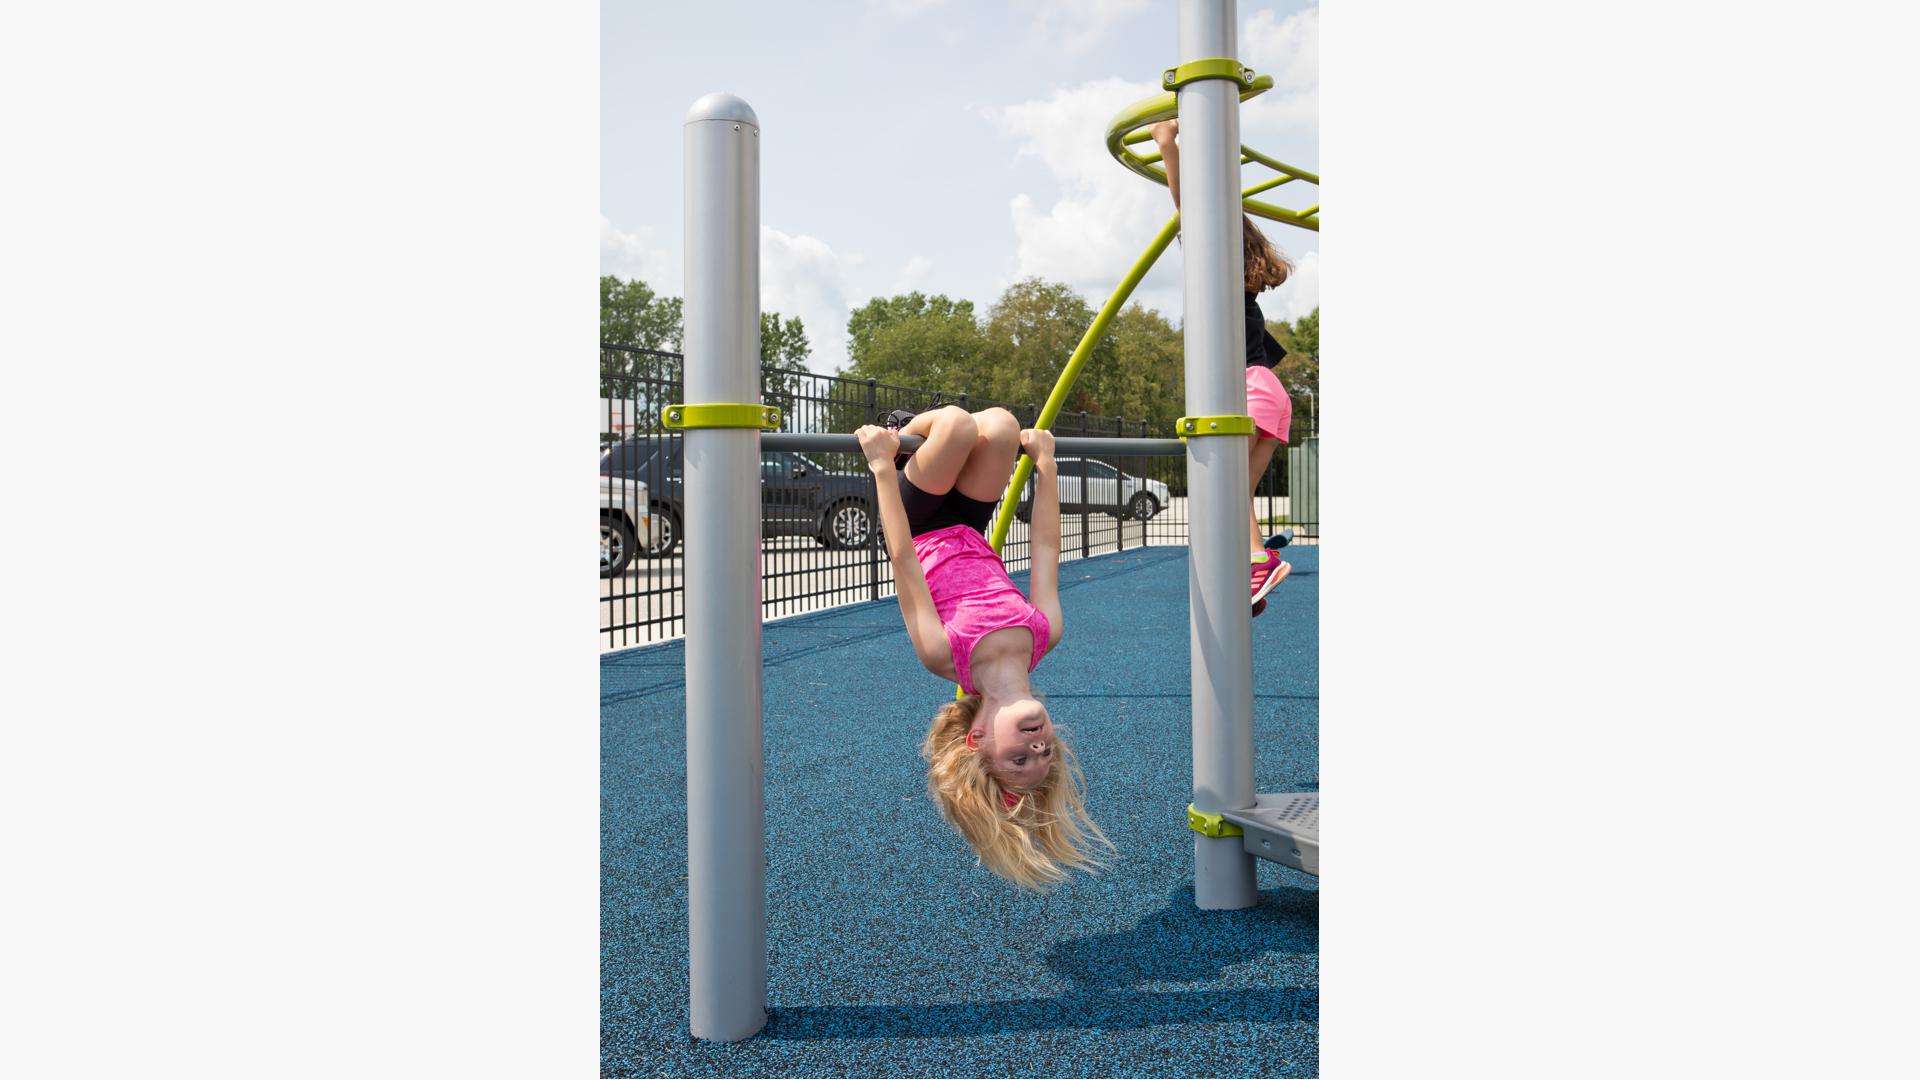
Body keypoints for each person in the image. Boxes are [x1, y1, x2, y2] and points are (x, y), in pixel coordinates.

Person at [854, 406, 1111, 889]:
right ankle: (927, 435)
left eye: (1020, 758)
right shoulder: (1043, 634)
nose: (1038, 747)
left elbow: (903, 558)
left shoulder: (944, 654)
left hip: (915, 523)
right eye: (1045, 754)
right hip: (968, 524)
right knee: (1003, 427)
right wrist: (1047, 468)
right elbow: (1046, 550)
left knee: (955, 424)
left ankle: (898, 426)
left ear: (977, 740)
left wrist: (882, 466)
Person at [1151, 118, 1295, 614]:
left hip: (1248, 392)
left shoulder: (1220, 273)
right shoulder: (1244, 287)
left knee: (1229, 490)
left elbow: (1188, 205)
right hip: (1271, 392)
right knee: (1237, 496)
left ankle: (1260, 560)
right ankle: (1251, 567)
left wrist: (1167, 144)